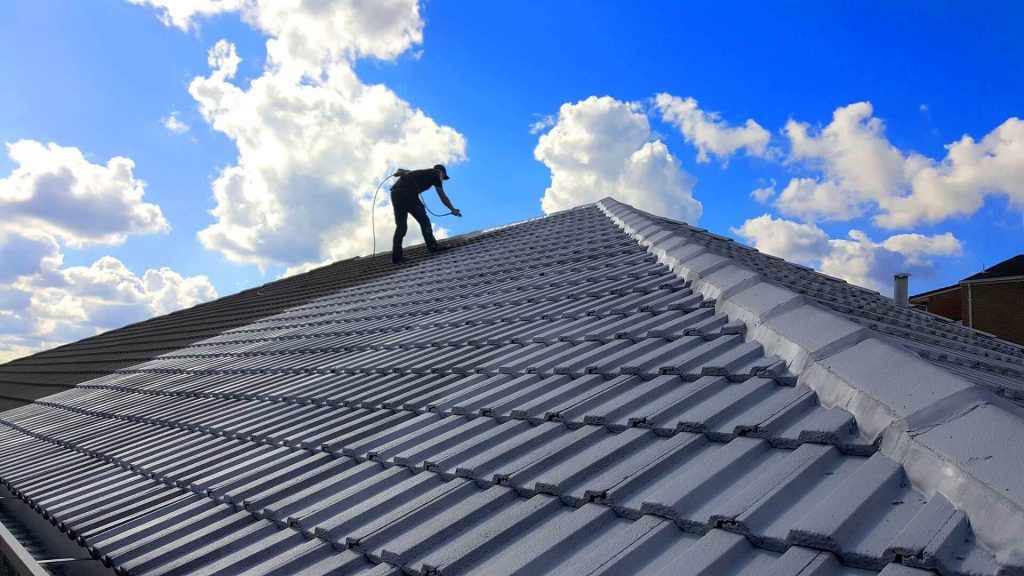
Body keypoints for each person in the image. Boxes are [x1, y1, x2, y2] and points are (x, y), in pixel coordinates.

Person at [389, 164, 462, 264]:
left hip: (395, 194)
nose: (442, 180)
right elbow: (442, 196)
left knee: (401, 226)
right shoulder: (436, 174)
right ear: (441, 172)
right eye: (443, 177)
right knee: (424, 221)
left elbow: (401, 170)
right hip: (408, 194)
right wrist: (452, 209)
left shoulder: (420, 172)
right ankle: (433, 246)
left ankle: (397, 257)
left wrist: (402, 171)